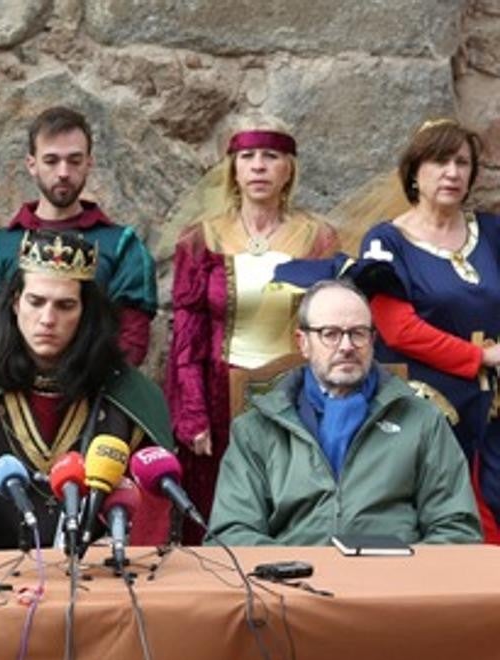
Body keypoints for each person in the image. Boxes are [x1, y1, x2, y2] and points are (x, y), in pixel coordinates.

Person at [0, 230, 174, 550]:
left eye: (65, 306)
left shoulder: (130, 395)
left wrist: (126, 549)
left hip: (103, 580)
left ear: (85, 312)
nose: (48, 319)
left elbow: (152, 515)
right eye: (36, 301)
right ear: (15, 303)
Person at [164, 115, 339, 543]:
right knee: (218, 505)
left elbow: (330, 325)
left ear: (289, 169)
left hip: (295, 392)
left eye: (271, 156)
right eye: (248, 156)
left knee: (293, 497)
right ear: (233, 169)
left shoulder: (317, 238)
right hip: (220, 391)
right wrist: (193, 413)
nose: (258, 166)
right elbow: (188, 334)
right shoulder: (201, 238)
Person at [210, 280, 481, 545]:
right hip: (293, 583)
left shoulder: (421, 419)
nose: (346, 346)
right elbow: (231, 532)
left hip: (393, 581)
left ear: (372, 340)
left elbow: (457, 528)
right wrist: (293, 573)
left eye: (358, 333)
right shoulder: (257, 428)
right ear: (303, 342)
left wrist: (402, 574)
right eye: (330, 334)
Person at [359, 118, 500, 539]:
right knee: (445, 511)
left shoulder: (492, 232)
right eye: (440, 161)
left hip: (495, 402)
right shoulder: (387, 243)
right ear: (415, 171)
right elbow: (398, 329)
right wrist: (479, 356)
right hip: (425, 403)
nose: (452, 173)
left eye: (462, 163)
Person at [0, 106, 157, 365]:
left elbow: (131, 341)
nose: (63, 172)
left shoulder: (121, 246)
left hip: (95, 394)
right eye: (51, 160)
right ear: (32, 164)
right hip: (14, 394)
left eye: (74, 160)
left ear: (89, 163)